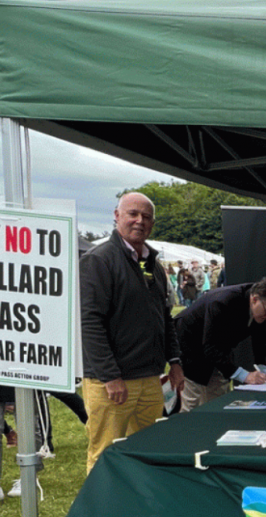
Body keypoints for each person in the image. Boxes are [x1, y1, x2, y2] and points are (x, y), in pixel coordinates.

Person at [80, 192, 184, 474]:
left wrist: (174, 361)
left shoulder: (154, 265)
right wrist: (110, 376)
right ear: (117, 216)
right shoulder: (99, 260)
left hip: (150, 378)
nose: (140, 221)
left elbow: (164, 318)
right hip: (112, 382)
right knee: (105, 453)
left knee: (147, 448)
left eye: (146, 216)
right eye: (133, 214)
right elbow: (89, 322)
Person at [175, 278, 266, 412]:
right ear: (255, 299)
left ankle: (216, 428)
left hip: (218, 348)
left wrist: (263, 374)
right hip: (191, 346)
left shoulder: (259, 306)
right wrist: (245, 376)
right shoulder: (222, 302)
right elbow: (210, 347)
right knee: (193, 403)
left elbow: (260, 339)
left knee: (219, 400)